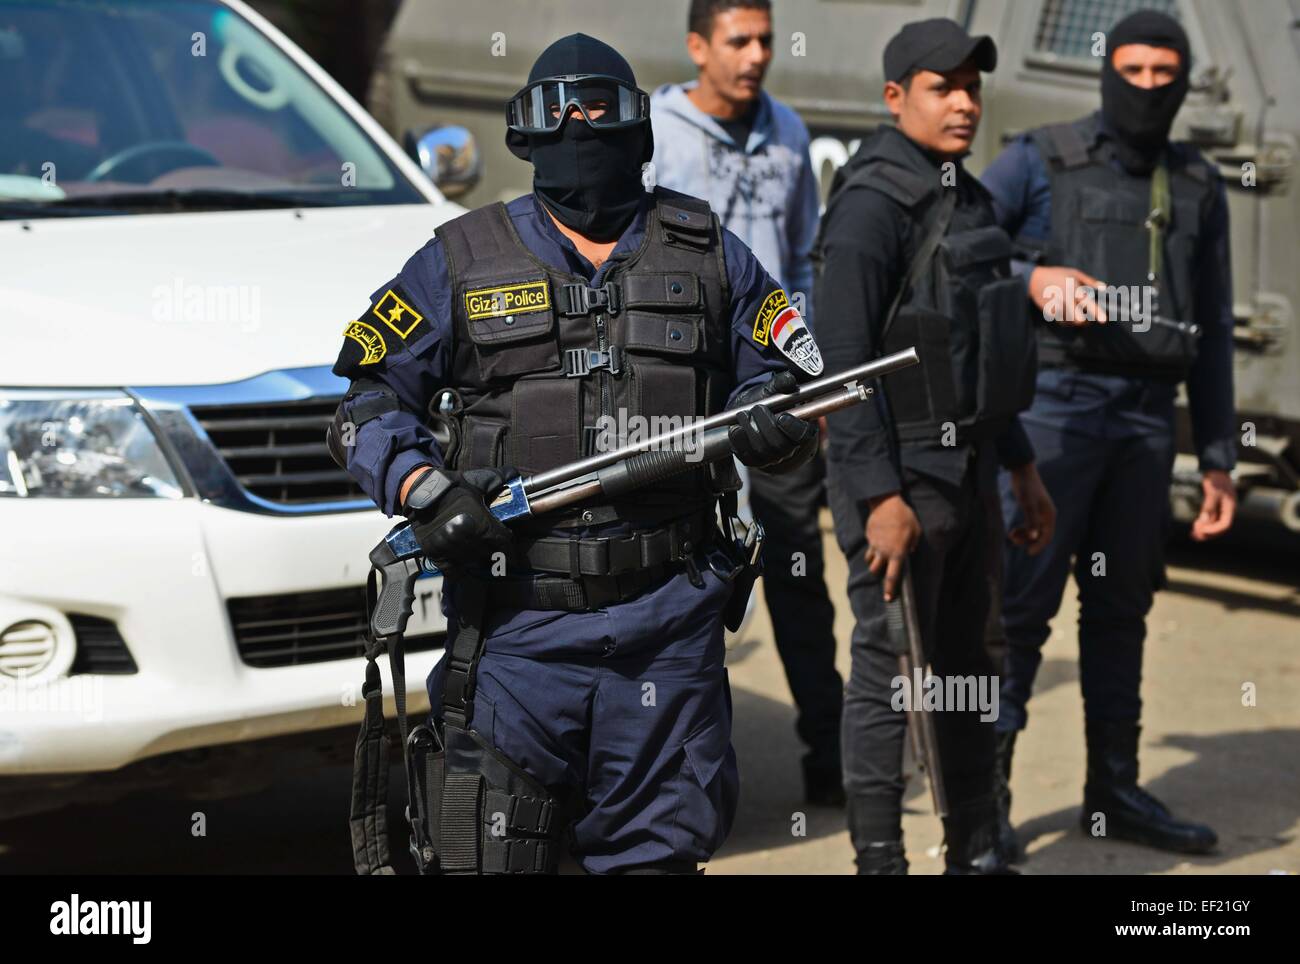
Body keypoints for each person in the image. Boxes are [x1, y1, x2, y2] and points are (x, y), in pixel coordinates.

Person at [329, 33, 822, 874]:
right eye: (561, 114)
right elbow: (364, 403)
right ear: (524, 135)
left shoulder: (710, 256)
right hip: (516, 629)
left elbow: (785, 383)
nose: (582, 128)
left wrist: (773, 424)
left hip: (670, 623)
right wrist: (425, 489)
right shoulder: (460, 258)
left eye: (601, 110)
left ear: (639, 129)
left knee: (657, 859)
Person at [981, 9, 1236, 858]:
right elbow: (958, 255)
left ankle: (1115, 791)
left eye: (1167, 75)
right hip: (1054, 409)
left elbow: (1214, 330)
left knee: (1121, 608)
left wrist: (1222, 459)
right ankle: (986, 806)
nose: (1149, 89)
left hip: (1146, 423)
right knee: (1020, 613)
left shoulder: (1198, 184)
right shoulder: (1040, 158)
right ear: (1105, 71)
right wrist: (1032, 277)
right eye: (1134, 71)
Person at [816, 17, 1055, 874]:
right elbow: (839, 363)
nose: (963, 103)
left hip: (974, 473)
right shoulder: (871, 205)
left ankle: (976, 842)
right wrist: (879, 497)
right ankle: (880, 859)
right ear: (895, 97)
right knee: (890, 674)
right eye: (941, 87)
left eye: (971, 86)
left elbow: (986, 353)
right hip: (902, 478)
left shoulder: (971, 195)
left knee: (967, 667)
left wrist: (1022, 467)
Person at [650, 0, 843, 805]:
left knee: (797, 562)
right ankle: (671, 776)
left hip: (771, 390)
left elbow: (801, 254)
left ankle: (830, 759)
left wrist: (810, 372)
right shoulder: (657, 135)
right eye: (739, 40)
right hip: (682, 391)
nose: (757, 54)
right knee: (678, 573)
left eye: (766, 39)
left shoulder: (790, 131)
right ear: (699, 47)